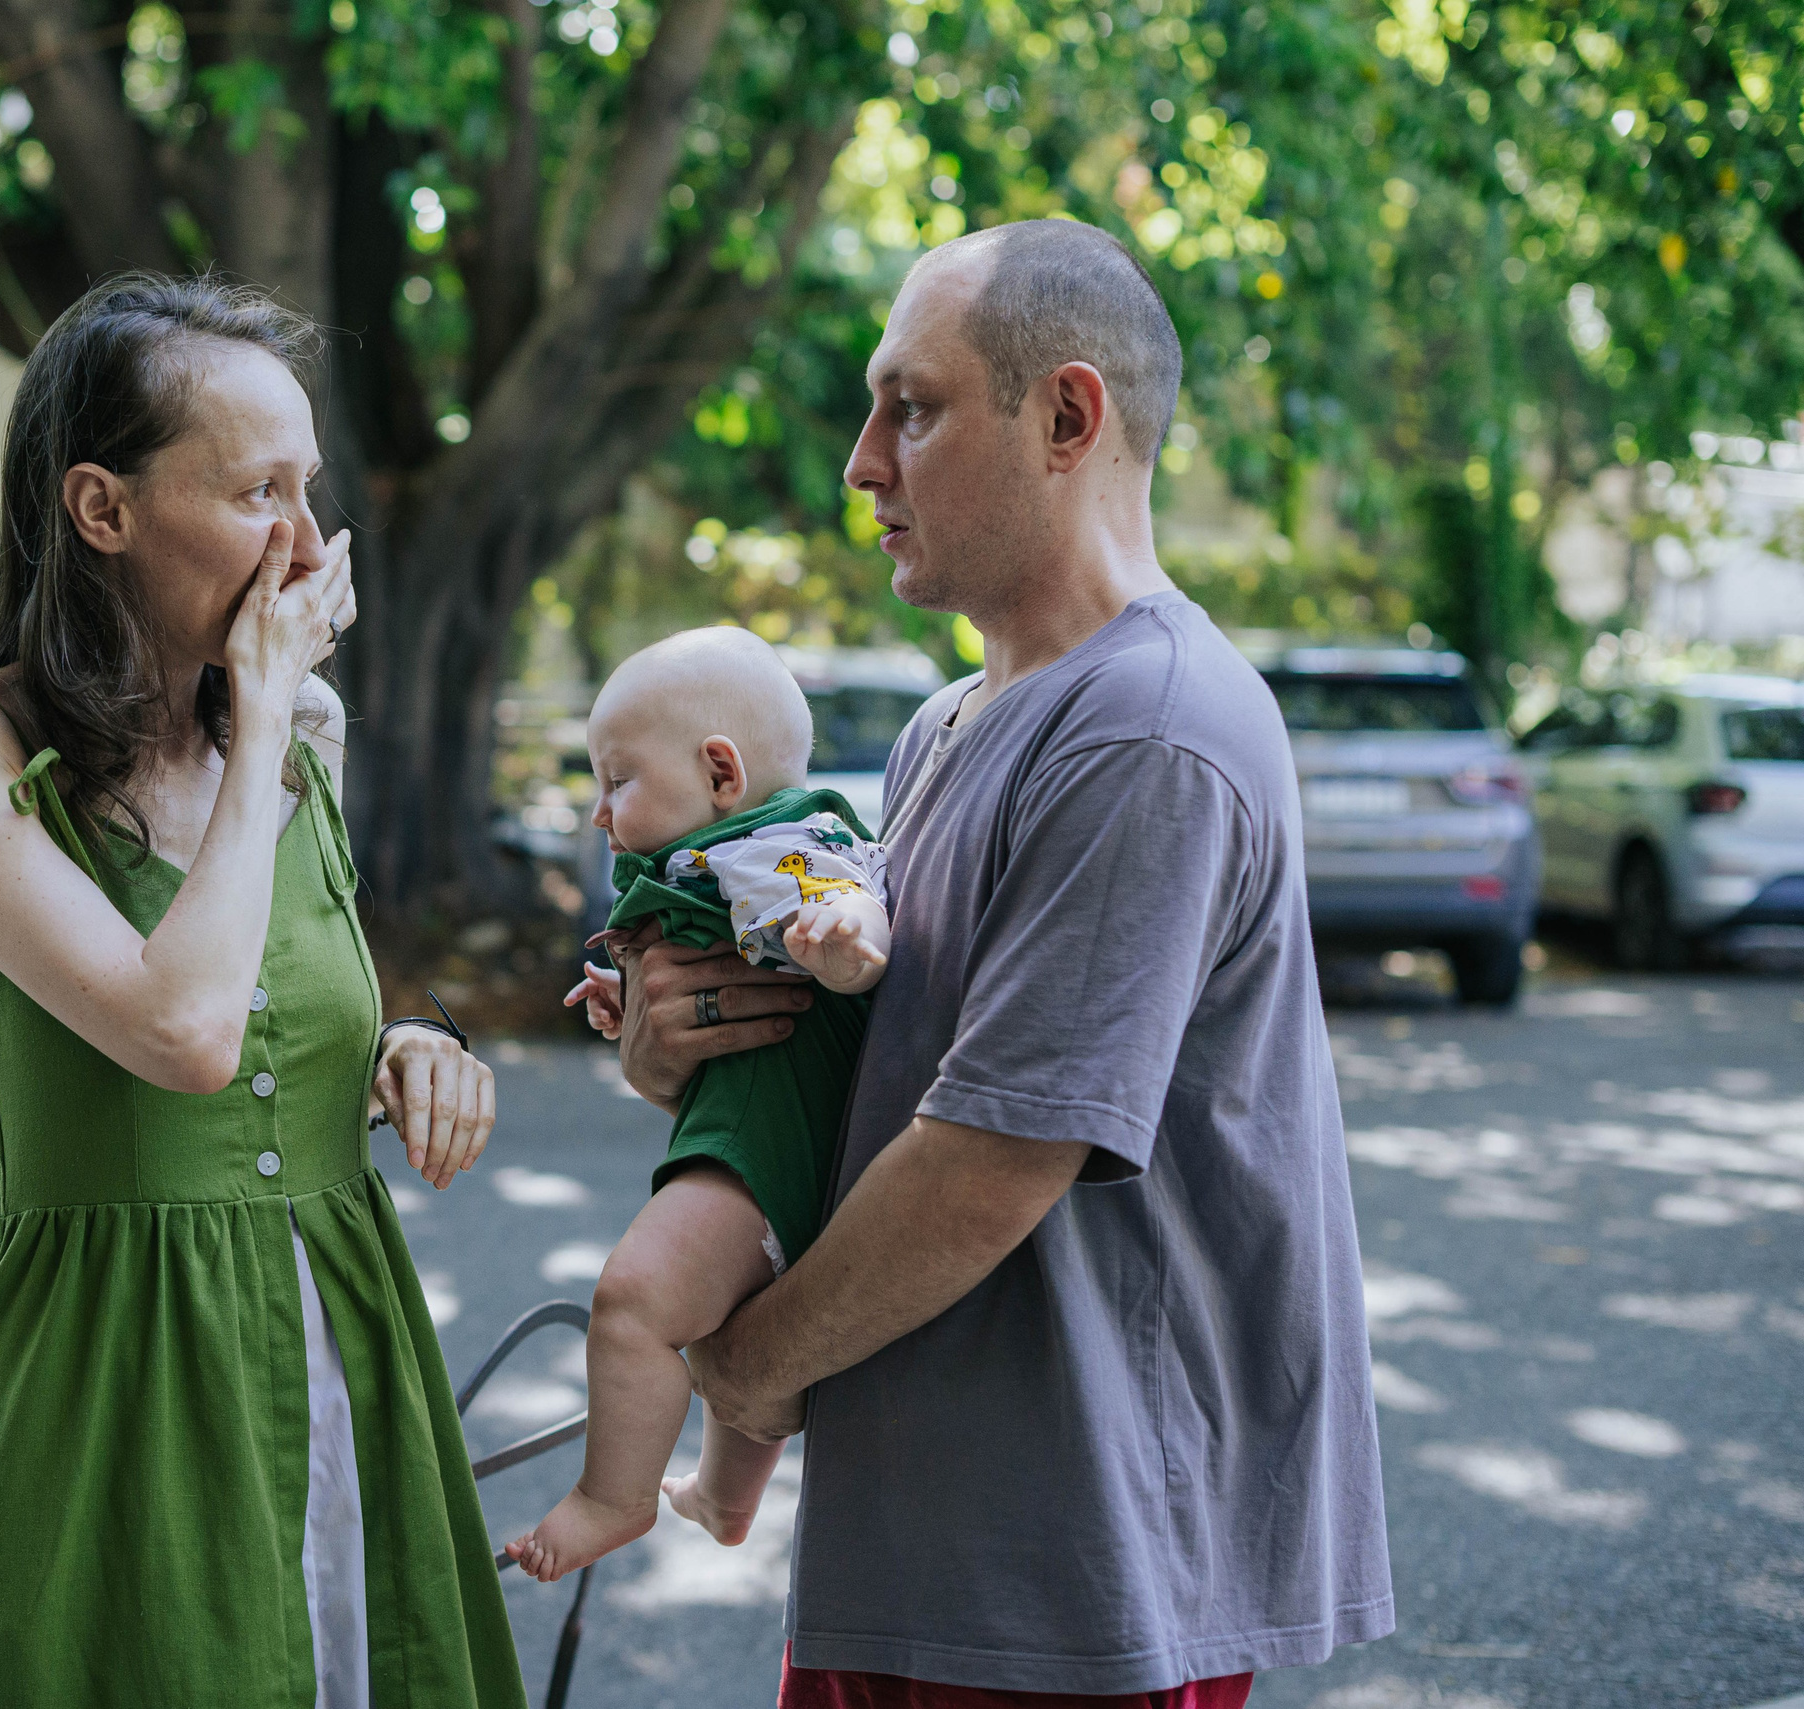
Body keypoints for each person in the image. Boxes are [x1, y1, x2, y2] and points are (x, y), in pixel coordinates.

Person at [585, 221, 1393, 1706]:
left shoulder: (1151, 724)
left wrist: (752, 1370)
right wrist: (675, 1051)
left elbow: (991, 1158)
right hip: (919, 1562)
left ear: (1068, 419)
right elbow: (870, 1087)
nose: (858, 462)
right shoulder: (945, 727)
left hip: (1073, 1592)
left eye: (913, 406)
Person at [0, 275, 527, 1709]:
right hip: (94, 1411)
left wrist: (412, 1040)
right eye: (255, 492)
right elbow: (184, 1031)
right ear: (101, 508)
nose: (303, 544)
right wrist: (271, 704)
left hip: (344, 1373)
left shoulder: (301, 734)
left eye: (311, 489)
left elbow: (277, 1008)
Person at [507, 628, 888, 1583]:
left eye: (618, 780)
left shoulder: (770, 844)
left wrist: (844, 936)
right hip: (771, 1152)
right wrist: (626, 1003)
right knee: (723, 1315)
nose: (599, 812)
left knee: (633, 1301)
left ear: (722, 771)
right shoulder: (724, 856)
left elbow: (845, 895)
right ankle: (725, 1495)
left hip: (767, 1160)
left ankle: (613, 1495)